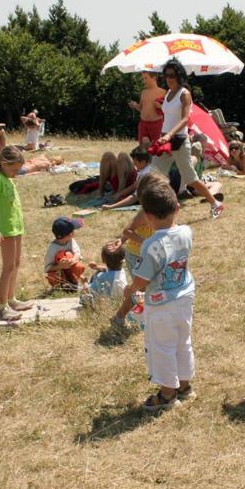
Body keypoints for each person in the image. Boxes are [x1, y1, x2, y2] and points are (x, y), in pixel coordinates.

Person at [113, 177, 197, 410]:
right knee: (183, 341)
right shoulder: (186, 232)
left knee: (162, 347)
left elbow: (143, 280)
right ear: (177, 208)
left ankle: (167, 395)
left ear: (148, 217)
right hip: (185, 297)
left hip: (161, 304)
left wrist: (130, 289)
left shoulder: (151, 245)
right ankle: (185, 386)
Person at [152, 58, 225, 219]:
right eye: (166, 75)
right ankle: (168, 205)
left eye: (172, 75)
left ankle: (215, 204)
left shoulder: (184, 94)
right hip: (165, 139)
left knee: (191, 179)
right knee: (154, 173)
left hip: (178, 140)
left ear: (179, 75)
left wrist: (170, 134)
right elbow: (168, 117)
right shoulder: (168, 93)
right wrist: (162, 135)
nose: (169, 78)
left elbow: (185, 119)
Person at [0, 145, 34, 321]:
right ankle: (2, 305)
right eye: (13, 169)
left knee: (16, 263)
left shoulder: (8, 179)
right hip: (5, 229)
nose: (15, 173)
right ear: (4, 164)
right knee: (8, 267)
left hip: (16, 228)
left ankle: (12, 299)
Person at [117, 172, 167, 274]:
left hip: (151, 253)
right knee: (142, 286)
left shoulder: (161, 209)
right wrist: (146, 242)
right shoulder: (145, 213)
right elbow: (127, 231)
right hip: (137, 255)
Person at [100, 145, 153, 210]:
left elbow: (133, 197)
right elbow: (135, 185)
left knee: (122, 155)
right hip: (139, 193)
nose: (134, 164)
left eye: (135, 162)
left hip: (142, 196)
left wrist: (112, 206)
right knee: (109, 155)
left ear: (143, 162)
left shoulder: (146, 175)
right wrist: (120, 194)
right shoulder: (146, 169)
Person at [45, 216, 86, 289]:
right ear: (70, 234)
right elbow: (47, 269)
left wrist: (71, 261)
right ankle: (60, 286)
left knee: (79, 266)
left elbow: (77, 254)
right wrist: (60, 266)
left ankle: (74, 280)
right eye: (74, 230)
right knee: (51, 276)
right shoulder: (52, 248)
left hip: (71, 268)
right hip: (59, 271)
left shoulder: (71, 241)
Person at [129, 71, 165, 147]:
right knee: (142, 148)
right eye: (143, 78)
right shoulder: (144, 92)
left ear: (154, 78)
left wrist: (161, 106)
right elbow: (141, 108)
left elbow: (168, 110)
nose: (144, 81)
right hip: (143, 124)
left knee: (156, 147)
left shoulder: (163, 92)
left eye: (146, 78)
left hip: (157, 124)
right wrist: (135, 105)